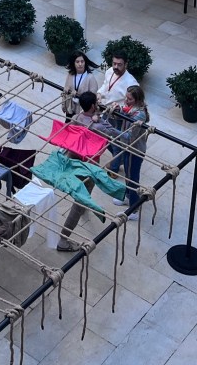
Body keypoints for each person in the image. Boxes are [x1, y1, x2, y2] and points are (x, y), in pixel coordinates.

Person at [95, 85, 150, 220]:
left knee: (132, 178)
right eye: (126, 97)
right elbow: (124, 115)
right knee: (128, 175)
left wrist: (111, 129)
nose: (126, 100)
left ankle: (134, 209)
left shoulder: (139, 115)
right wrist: (117, 110)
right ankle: (128, 197)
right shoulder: (131, 109)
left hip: (134, 150)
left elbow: (129, 137)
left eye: (129, 99)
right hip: (127, 148)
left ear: (137, 100)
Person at [56, 91, 102, 251]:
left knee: (83, 194)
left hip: (74, 162)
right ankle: (63, 240)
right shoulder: (97, 126)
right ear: (93, 106)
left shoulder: (76, 118)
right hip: (88, 167)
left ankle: (83, 206)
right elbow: (113, 134)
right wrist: (99, 118)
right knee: (79, 202)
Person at [61, 50, 100, 120]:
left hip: (82, 113)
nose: (80, 64)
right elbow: (65, 91)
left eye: (82, 61)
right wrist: (64, 105)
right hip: (70, 109)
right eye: (77, 62)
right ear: (73, 63)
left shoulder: (90, 78)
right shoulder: (70, 75)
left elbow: (94, 98)